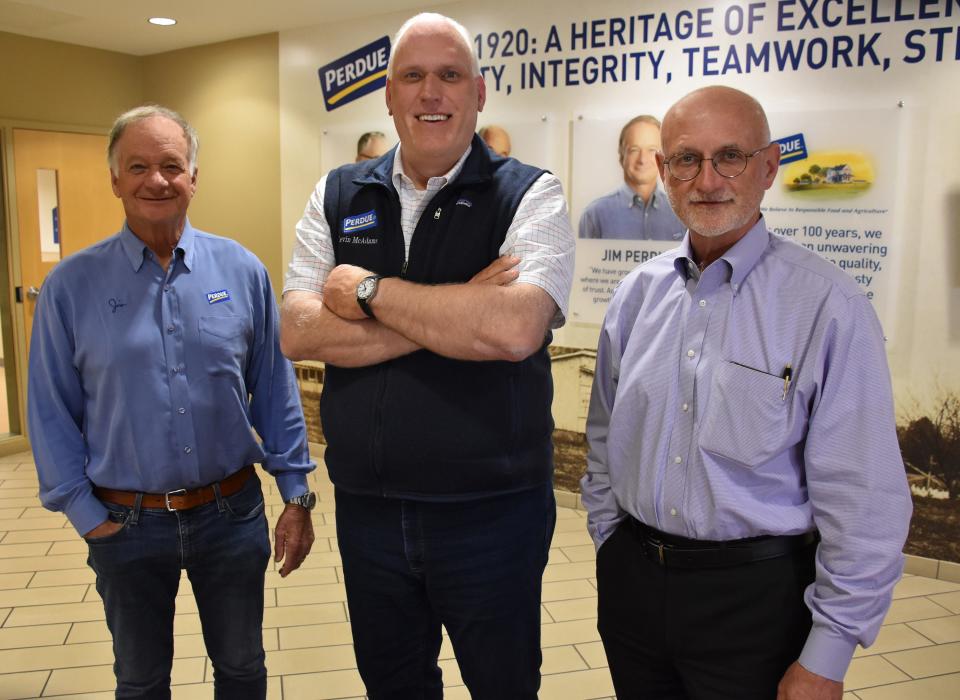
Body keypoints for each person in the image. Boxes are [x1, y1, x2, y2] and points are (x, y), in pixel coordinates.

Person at [581, 86, 911, 700]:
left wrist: (828, 655)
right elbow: (604, 436)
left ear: (767, 167)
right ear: (663, 169)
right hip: (633, 589)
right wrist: (611, 545)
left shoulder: (828, 307)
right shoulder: (635, 298)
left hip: (756, 604)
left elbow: (865, 502)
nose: (707, 179)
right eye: (686, 158)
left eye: (729, 155)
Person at [281, 12, 574, 699]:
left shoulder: (530, 194)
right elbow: (297, 330)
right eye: (412, 76)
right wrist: (455, 309)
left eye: (449, 76)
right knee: (393, 686)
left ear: (479, 91)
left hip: (491, 515)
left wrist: (370, 291)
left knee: (503, 686)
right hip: (370, 511)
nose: (430, 93)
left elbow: (512, 330)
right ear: (388, 94)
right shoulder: (337, 194)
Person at [28, 105, 316, 700]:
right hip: (125, 525)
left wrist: (296, 493)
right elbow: (50, 410)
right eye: (138, 166)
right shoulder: (71, 287)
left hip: (230, 516)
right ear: (115, 179)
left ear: (193, 177)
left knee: (241, 669)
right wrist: (87, 516)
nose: (155, 180)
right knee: (140, 680)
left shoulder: (240, 269)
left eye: (170, 165)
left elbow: (274, 386)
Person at [578, 114, 684, 241]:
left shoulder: (681, 213)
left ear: (663, 158)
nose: (642, 159)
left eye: (652, 150)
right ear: (621, 156)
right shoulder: (594, 215)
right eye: (634, 150)